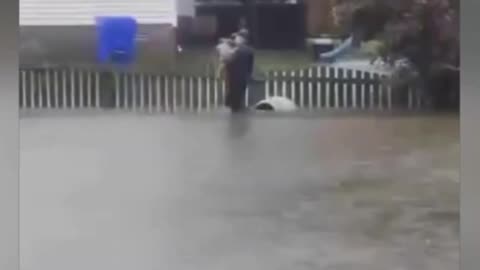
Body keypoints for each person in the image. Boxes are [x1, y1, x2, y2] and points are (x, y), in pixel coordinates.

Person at [224, 31, 255, 113]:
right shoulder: (249, 50)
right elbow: (250, 66)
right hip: (243, 76)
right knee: (240, 93)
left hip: (233, 76)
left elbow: (228, 63)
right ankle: (238, 108)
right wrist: (249, 75)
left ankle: (234, 108)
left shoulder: (233, 50)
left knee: (233, 93)